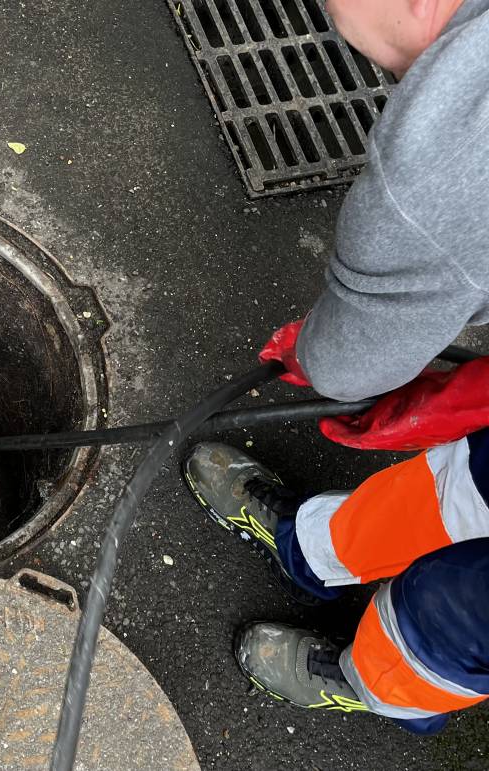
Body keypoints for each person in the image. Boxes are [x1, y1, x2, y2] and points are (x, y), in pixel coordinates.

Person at [184, 0, 489, 735]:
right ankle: (312, 551)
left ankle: (365, 678)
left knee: (457, 618)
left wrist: (325, 348)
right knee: (459, 491)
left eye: (387, 63)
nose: (400, 82)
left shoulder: (443, 148)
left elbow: (348, 369)